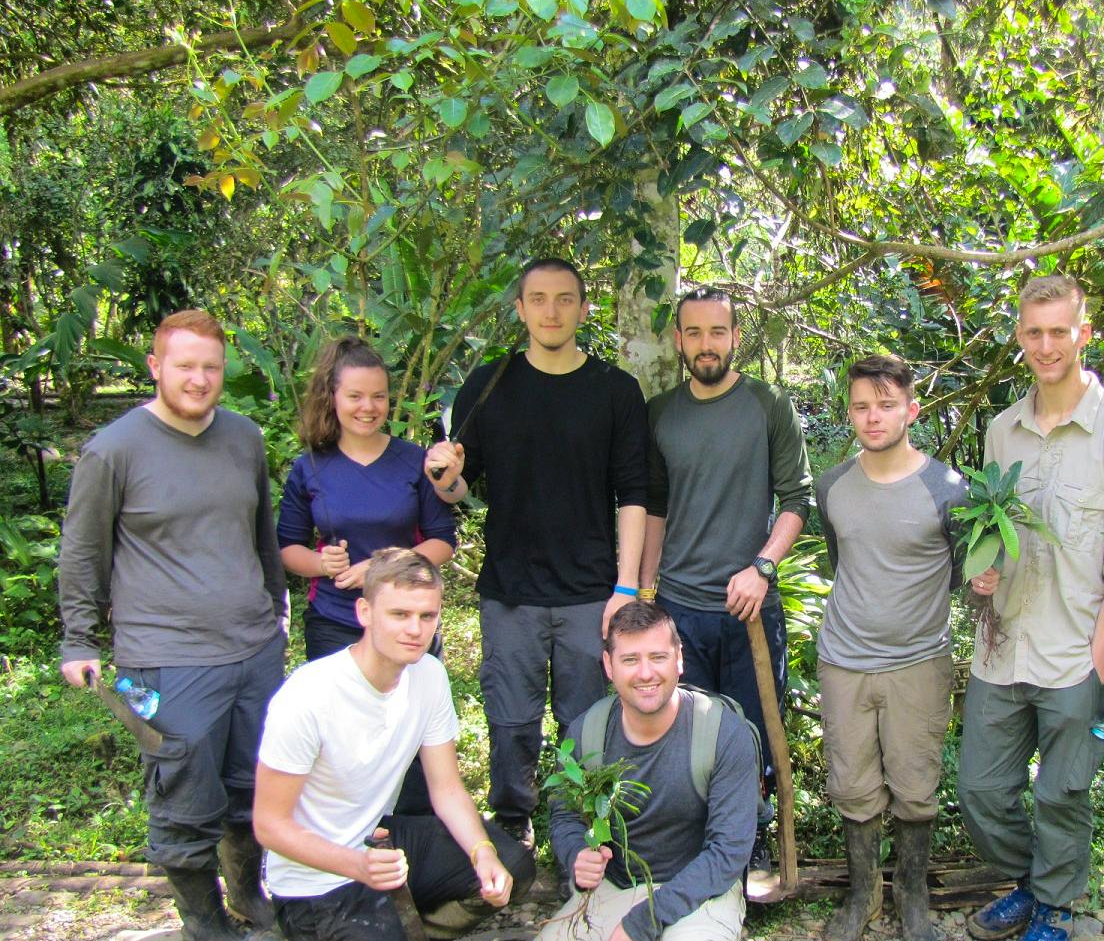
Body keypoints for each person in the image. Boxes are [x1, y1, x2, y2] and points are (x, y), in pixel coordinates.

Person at [212, 548, 535, 941]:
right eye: (400, 614)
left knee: (512, 863)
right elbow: (269, 826)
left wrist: (483, 853)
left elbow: (447, 789)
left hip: (377, 849)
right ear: (365, 612)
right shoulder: (309, 695)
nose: (415, 629)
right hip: (316, 882)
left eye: (427, 616)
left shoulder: (427, 675)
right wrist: (356, 866)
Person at [58, 309, 287, 941]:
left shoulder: (243, 437)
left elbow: (262, 535)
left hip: (253, 647)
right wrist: (79, 640)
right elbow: (82, 552)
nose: (199, 378)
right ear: (156, 366)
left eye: (211, 366)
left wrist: (276, 612)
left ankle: (247, 891)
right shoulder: (114, 449)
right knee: (184, 789)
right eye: (185, 365)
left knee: (253, 781)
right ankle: (203, 925)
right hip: (166, 657)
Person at [957, 274, 1104, 941]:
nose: (1046, 346)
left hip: (1076, 649)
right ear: (1020, 335)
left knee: (1061, 794)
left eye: (1059, 332)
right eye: (1033, 332)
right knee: (980, 790)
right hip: (1003, 645)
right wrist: (981, 572)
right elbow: (991, 529)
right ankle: (1030, 879)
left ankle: (1056, 908)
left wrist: (1099, 662)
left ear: (1083, 334)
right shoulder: (1001, 430)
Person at [425, 257, 649, 847]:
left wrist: (626, 588)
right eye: (539, 299)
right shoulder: (489, 384)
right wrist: (444, 477)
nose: (552, 311)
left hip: (590, 590)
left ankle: (580, 831)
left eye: (565, 299)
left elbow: (634, 493)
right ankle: (513, 825)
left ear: (584, 308)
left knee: (587, 722)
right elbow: (459, 486)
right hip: (511, 589)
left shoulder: (614, 390)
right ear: (521, 309)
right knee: (511, 718)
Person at [507, 601, 758, 941]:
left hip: (698, 883)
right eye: (630, 660)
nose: (646, 673)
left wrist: (644, 922)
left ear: (679, 659)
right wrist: (575, 855)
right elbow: (564, 815)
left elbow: (728, 852)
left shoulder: (722, 732)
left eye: (658, 657)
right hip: (619, 885)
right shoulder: (587, 732)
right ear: (608, 666)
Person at [640, 286, 814, 869]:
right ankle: (694, 843)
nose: (706, 344)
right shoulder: (661, 414)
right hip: (679, 608)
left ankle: (753, 838)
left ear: (736, 337)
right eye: (694, 333)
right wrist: (645, 593)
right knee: (686, 733)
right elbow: (654, 508)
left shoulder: (768, 405)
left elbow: (797, 499)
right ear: (678, 340)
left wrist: (762, 568)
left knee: (752, 732)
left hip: (750, 607)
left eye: (718, 331)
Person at [814, 354, 966, 941]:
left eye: (885, 405)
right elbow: (842, 561)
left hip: (918, 663)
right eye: (861, 406)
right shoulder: (832, 486)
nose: (872, 417)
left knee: (915, 782)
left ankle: (912, 894)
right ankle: (862, 894)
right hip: (844, 660)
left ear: (911, 410)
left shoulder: (948, 489)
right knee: (851, 780)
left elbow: (959, 573)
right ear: (849, 412)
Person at [278, 335, 458, 815]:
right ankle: (346, 834)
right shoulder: (310, 466)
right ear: (333, 397)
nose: (368, 407)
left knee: (414, 737)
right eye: (355, 396)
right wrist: (320, 564)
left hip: (408, 622)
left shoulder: (413, 460)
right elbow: (287, 548)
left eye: (378, 396)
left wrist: (384, 567)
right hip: (336, 620)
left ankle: (416, 831)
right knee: (341, 741)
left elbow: (442, 541)